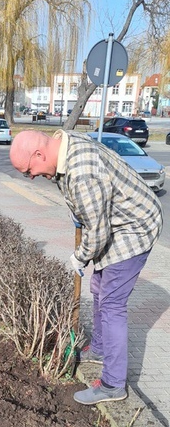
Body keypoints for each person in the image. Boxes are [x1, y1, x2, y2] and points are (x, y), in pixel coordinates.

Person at [9, 129, 163, 405]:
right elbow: (85, 205)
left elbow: (99, 231)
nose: (31, 177)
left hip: (134, 227)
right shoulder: (63, 147)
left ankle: (113, 384)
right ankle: (100, 348)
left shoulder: (82, 172)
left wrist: (81, 256)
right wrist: (78, 214)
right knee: (98, 287)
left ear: (39, 154)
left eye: (29, 171)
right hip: (115, 221)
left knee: (112, 304)